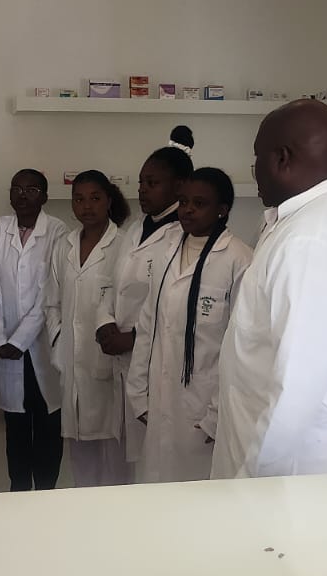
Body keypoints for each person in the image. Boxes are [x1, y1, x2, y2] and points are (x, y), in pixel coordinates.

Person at [212, 99, 327, 479]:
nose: (254, 173)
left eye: (256, 160)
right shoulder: (316, 219)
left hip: (301, 470)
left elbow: (296, 389)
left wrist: (250, 486)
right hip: (295, 459)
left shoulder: (312, 240)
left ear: (282, 158)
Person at [126, 168, 253, 483]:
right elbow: (148, 325)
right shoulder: (167, 248)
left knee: (197, 494)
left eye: (200, 203)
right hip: (160, 396)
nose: (188, 210)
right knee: (157, 487)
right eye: (183, 202)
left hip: (204, 405)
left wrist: (217, 414)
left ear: (222, 209)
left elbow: (239, 348)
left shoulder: (239, 259)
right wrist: (138, 391)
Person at [95, 127, 194, 475]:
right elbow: (113, 284)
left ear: (179, 187)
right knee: (117, 452)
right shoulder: (137, 227)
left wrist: (133, 339)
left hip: (152, 358)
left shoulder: (184, 236)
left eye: (152, 183)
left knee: (150, 458)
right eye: (140, 182)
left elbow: (177, 308)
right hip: (117, 354)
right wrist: (104, 322)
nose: (142, 190)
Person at [0, 169, 66, 492]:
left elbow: (50, 293)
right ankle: (18, 491)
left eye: (32, 189)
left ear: (45, 196)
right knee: (15, 425)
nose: (23, 195)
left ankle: (45, 491)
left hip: (43, 346)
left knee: (47, 422)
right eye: (17, 188)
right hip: (6, 348)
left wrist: (19, 340)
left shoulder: (57, 231)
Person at [44, 170, 132, 487]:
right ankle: (84, 504)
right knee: (79, 448)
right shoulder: (64, 245)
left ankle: (115, 509)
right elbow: (51, 302)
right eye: (79, 199)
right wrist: (58, 342)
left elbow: (130, 304)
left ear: (109, 200)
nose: (87, 206)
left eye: (95, 198)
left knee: (115, 450)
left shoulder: (123, 245)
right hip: (71, 358)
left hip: (108, 360)